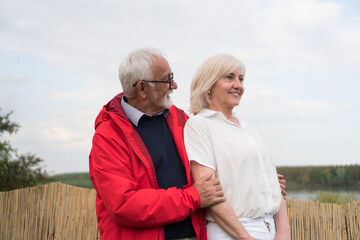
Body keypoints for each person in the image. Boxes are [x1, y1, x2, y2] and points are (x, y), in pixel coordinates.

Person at [89, 48, 287, 240]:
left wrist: (261, 181)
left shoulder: (183, 121)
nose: (174, 85)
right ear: (142, 88)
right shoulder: (108, 137)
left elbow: (212, 170)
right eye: (167, 79)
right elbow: (123, 205)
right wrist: (193, 197)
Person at [183, 54, 291, 240]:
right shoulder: (200, 125)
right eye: (229, 77)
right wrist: (246, 238)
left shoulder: (247, 128)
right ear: (209, 84)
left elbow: (273, 185)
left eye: (241, 79)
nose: (238, 85)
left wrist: (283, 232)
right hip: (232, 233)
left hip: (270, 229)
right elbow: (209, 194)